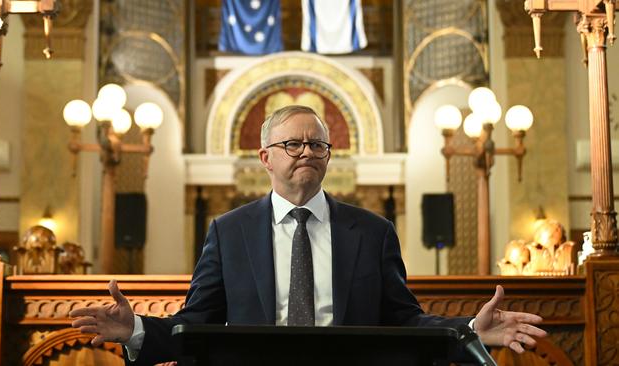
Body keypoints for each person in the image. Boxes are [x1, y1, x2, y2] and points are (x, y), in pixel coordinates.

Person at [70, 105, 547, 365]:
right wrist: (133, 331)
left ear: (328, 156)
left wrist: (469, 332)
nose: (306, 151)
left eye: (317, 143)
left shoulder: (373, 232)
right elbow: (195, 325)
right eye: (291, 143)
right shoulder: (229, 231)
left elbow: (404, 321)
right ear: (266, 157)